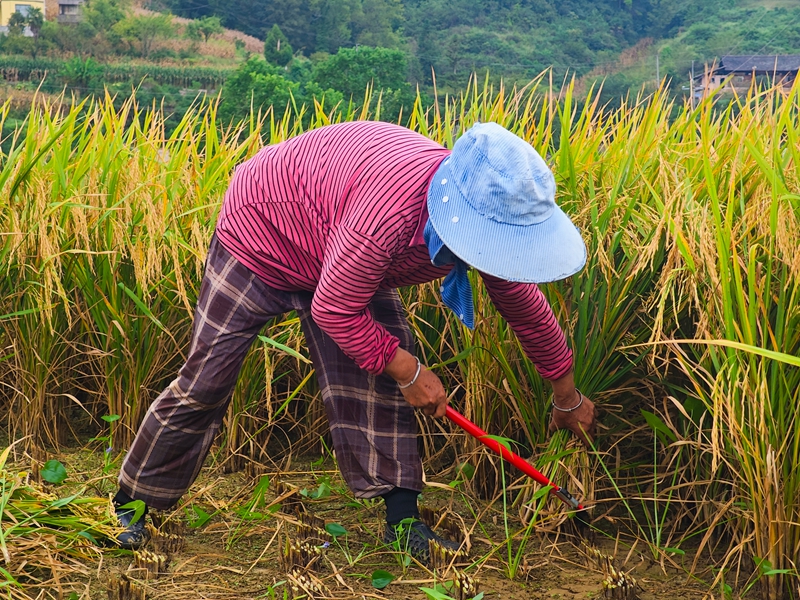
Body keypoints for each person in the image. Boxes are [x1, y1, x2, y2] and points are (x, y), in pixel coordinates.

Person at [112, 121, 598, 562]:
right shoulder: (387, 216)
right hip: (262, 234)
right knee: (206, 383)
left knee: (377, 381)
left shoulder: (487, 227)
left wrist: (567, 396)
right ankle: (131, 502)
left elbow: (526, 310)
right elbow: (334, 308)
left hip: (338, 244)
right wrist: (408, 370)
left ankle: (404, 523)